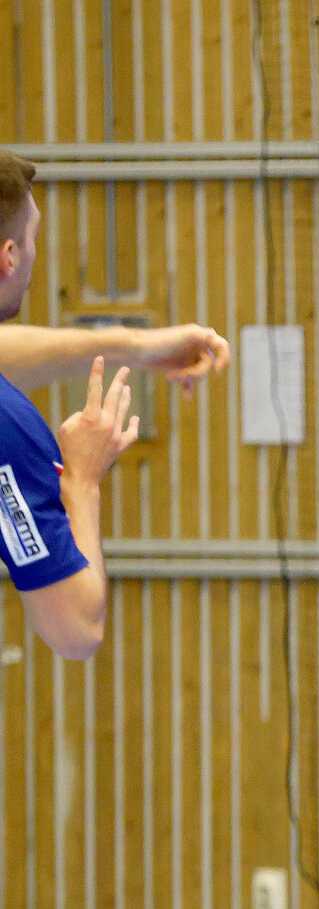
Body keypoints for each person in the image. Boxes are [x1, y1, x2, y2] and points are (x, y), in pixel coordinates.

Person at [0, 151, 231, 660]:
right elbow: (75, 628)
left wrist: (138, 347)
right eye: (35, 237)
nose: (38, 253)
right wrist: (80, 479)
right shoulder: (8, 430)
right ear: (9, 255)